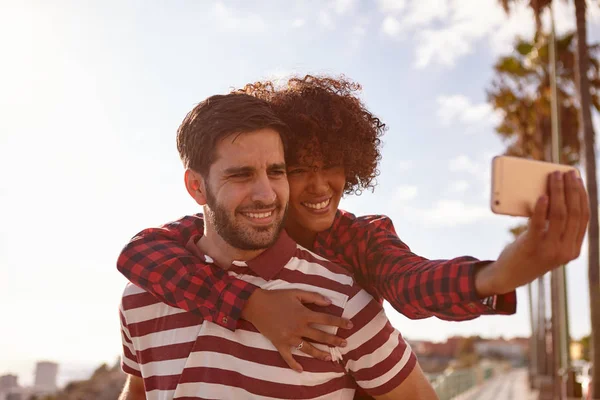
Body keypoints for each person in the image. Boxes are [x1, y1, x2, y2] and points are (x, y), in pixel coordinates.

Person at [117, 75, 588, 391]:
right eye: (300, 169)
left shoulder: (356, 240)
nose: (321, 187)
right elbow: (139, 253)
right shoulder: (198, 242)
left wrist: (497, 275)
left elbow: (410, 281)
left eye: (334, 167)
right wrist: (251, 304)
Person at [118, 92, 438, 400]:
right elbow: (138, 391)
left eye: (277, 172)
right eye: (242, 175)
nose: (266, 194)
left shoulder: (339, 301)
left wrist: (484, 280)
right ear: (196, 186)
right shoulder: (140, 297)